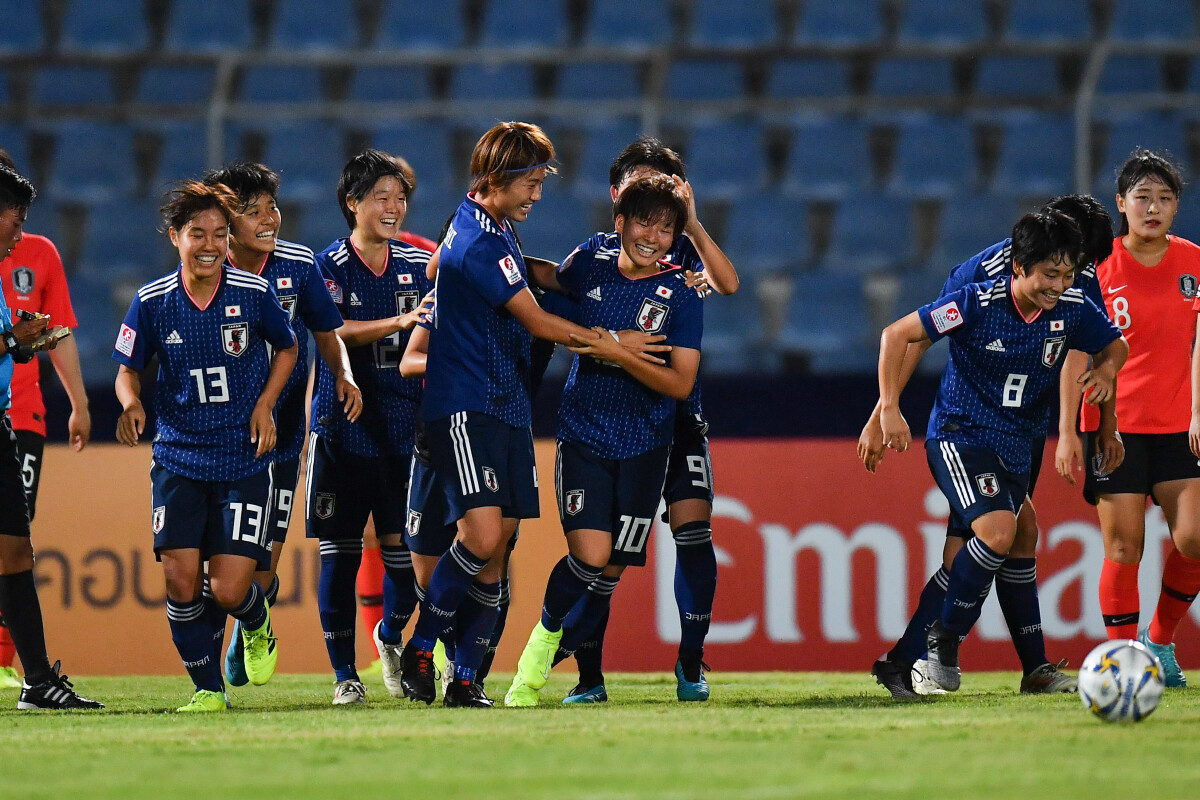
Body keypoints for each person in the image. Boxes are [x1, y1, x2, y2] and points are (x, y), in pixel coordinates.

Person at [397, 121, 664, 708]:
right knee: (482, 535)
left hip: (508, 408)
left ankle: (465, 679)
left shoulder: (493, 231)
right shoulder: (477, 240)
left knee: (498, 551)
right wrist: (614, 341)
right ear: (499, 178)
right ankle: (419, 646)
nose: (538, 194)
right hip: (466, 406)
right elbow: (540, 323)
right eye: (533, 182)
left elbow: (513, 272)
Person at [861, 195, 1118, 698]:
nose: (1072, 279)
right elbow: (913, 336)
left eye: (1079, 268)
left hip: (1022, 434)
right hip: (968, 431)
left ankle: (919, 663)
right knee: (996, 534)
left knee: (1013, 538)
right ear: (1030, 262)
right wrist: (883, 410)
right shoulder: (981, 281)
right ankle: (939, 650)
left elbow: (1094, 348)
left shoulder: (1068, 284)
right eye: (1063, 269)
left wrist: (1092, 427)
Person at [545, 137, 740, 704]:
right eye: (642, 187)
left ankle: (691, 660)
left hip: (677, 419)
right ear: (618, 198)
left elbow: (729, 282)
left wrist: (694, 225)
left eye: (669, 193)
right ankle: (589, 677)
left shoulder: (678, 255)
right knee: (604, 563)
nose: (656, 221)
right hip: (610, 421)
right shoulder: (597, 255)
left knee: (695, 531)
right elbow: (556, 287)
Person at [504, 175, 703, 707]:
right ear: (620, 223)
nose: (653, 237)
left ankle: (586, 678)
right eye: (644, 223)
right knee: (589, 556)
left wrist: (618, 355)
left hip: (648, 443)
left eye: (666, 229)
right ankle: (542, 643)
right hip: (584, 433)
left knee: (609, 571)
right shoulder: (589, 263)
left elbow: (682, 383)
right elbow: (549, 287)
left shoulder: (682, 291)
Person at [113, 180, 298, 712]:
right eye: (199, 233)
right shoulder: (152, 302)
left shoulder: (253, 294)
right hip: (177, 456)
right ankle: (208, 690)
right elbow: (126, 370)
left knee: (229, 588)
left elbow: (286, 349)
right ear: (176, 237)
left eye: (220, 232)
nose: (211, 244)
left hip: (242, 457)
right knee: (179, 576)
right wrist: (130, 403)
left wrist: (265, 404)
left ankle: (257, 624)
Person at [201, 161, 362, 688]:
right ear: (227, 220)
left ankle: (250, 623)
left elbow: (327, 330)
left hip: (284, 435)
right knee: (211, 563)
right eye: (254, 211)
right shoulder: (206, 268)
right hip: (220, 438)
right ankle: (229, 646)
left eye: (272, 206)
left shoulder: (298, 263)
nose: (270, 218)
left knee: (262, 568)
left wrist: (343, 374)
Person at [1057, 149, 1200, 688]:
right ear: (1121, 203)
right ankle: (1122, 660)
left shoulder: (1194, 262)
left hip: (1181, 425)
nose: (1154, 207)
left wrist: (1198, 409)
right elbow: (1076, 351)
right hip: (1113, 427)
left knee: (1194, 540)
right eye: (1143, 197)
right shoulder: (1098, 269)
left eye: (1165, 198)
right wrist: (1069, 430)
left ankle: (1158, 643)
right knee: (1124, 547)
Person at [306, 150, 434, 705]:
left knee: (405, 560)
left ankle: (389, 634)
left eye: (399, 197)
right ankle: (343, 677)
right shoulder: (327, 265)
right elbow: (331, 330)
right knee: (339, 554)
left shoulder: (417, 262)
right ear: (352, 204)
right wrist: (399, 321)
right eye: (380, 197)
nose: (393, 207)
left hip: (405, 430)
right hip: (343, 426)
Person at [0, 164, 101, 709]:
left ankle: (36, 680)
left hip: (14, 420)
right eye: (15, 221)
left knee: (16, 548)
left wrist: (21, 344)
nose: (21, 234)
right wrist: (11, 339)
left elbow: (43, 334)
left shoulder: (14, 265)